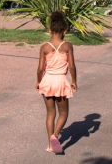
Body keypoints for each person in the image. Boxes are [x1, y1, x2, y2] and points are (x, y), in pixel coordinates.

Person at [36, 11, 77, 154]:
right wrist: (74, 81)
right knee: (64, 113)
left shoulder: (44, 47)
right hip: (60, 81)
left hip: (47, 81)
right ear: (65, 30)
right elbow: (71, 66)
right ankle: (55, 135)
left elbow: (40, 69)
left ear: (49, 30)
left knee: (50, 113)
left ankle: (49, 144)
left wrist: (38, 81)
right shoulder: (67, 46)